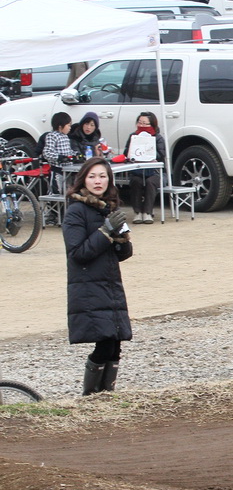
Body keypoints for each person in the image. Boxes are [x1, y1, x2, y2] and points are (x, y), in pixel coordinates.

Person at [62, 157, 133, 396]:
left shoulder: (108, 208)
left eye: (102, 176)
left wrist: (123, 239)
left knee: (115, 346)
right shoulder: (75, 211)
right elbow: (78, 253)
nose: (98, 181)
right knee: (104, 344)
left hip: (110, 285)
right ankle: (91, 397)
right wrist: (106, 231)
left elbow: (122, 255)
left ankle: (106, 396)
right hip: (89, 288)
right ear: (83, 179)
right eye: (92, 176)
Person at [123, 112, 165, 225]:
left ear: (152, 124)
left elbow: (162, 156)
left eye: (145, 123)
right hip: (137, 171)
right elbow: (126, 153)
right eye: (140, 123)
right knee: (136, 181)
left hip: (154, 172)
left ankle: (148, 212)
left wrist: (150, 149)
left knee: (150, 182)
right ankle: (137, 212)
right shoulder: (133, 136)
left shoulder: (158, 138)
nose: (141, 125)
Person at [43, 111, 78, 196]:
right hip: (57, 170)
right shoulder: (52, 136)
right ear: (60, 126)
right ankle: (54, 206)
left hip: (68, 169)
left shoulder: (65, 137)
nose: (70, 128)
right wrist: (58, 157)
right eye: (68, 125)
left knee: (68, 191)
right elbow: (47, 152)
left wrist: (75, 155)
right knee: (57, 192)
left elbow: (68, 151)